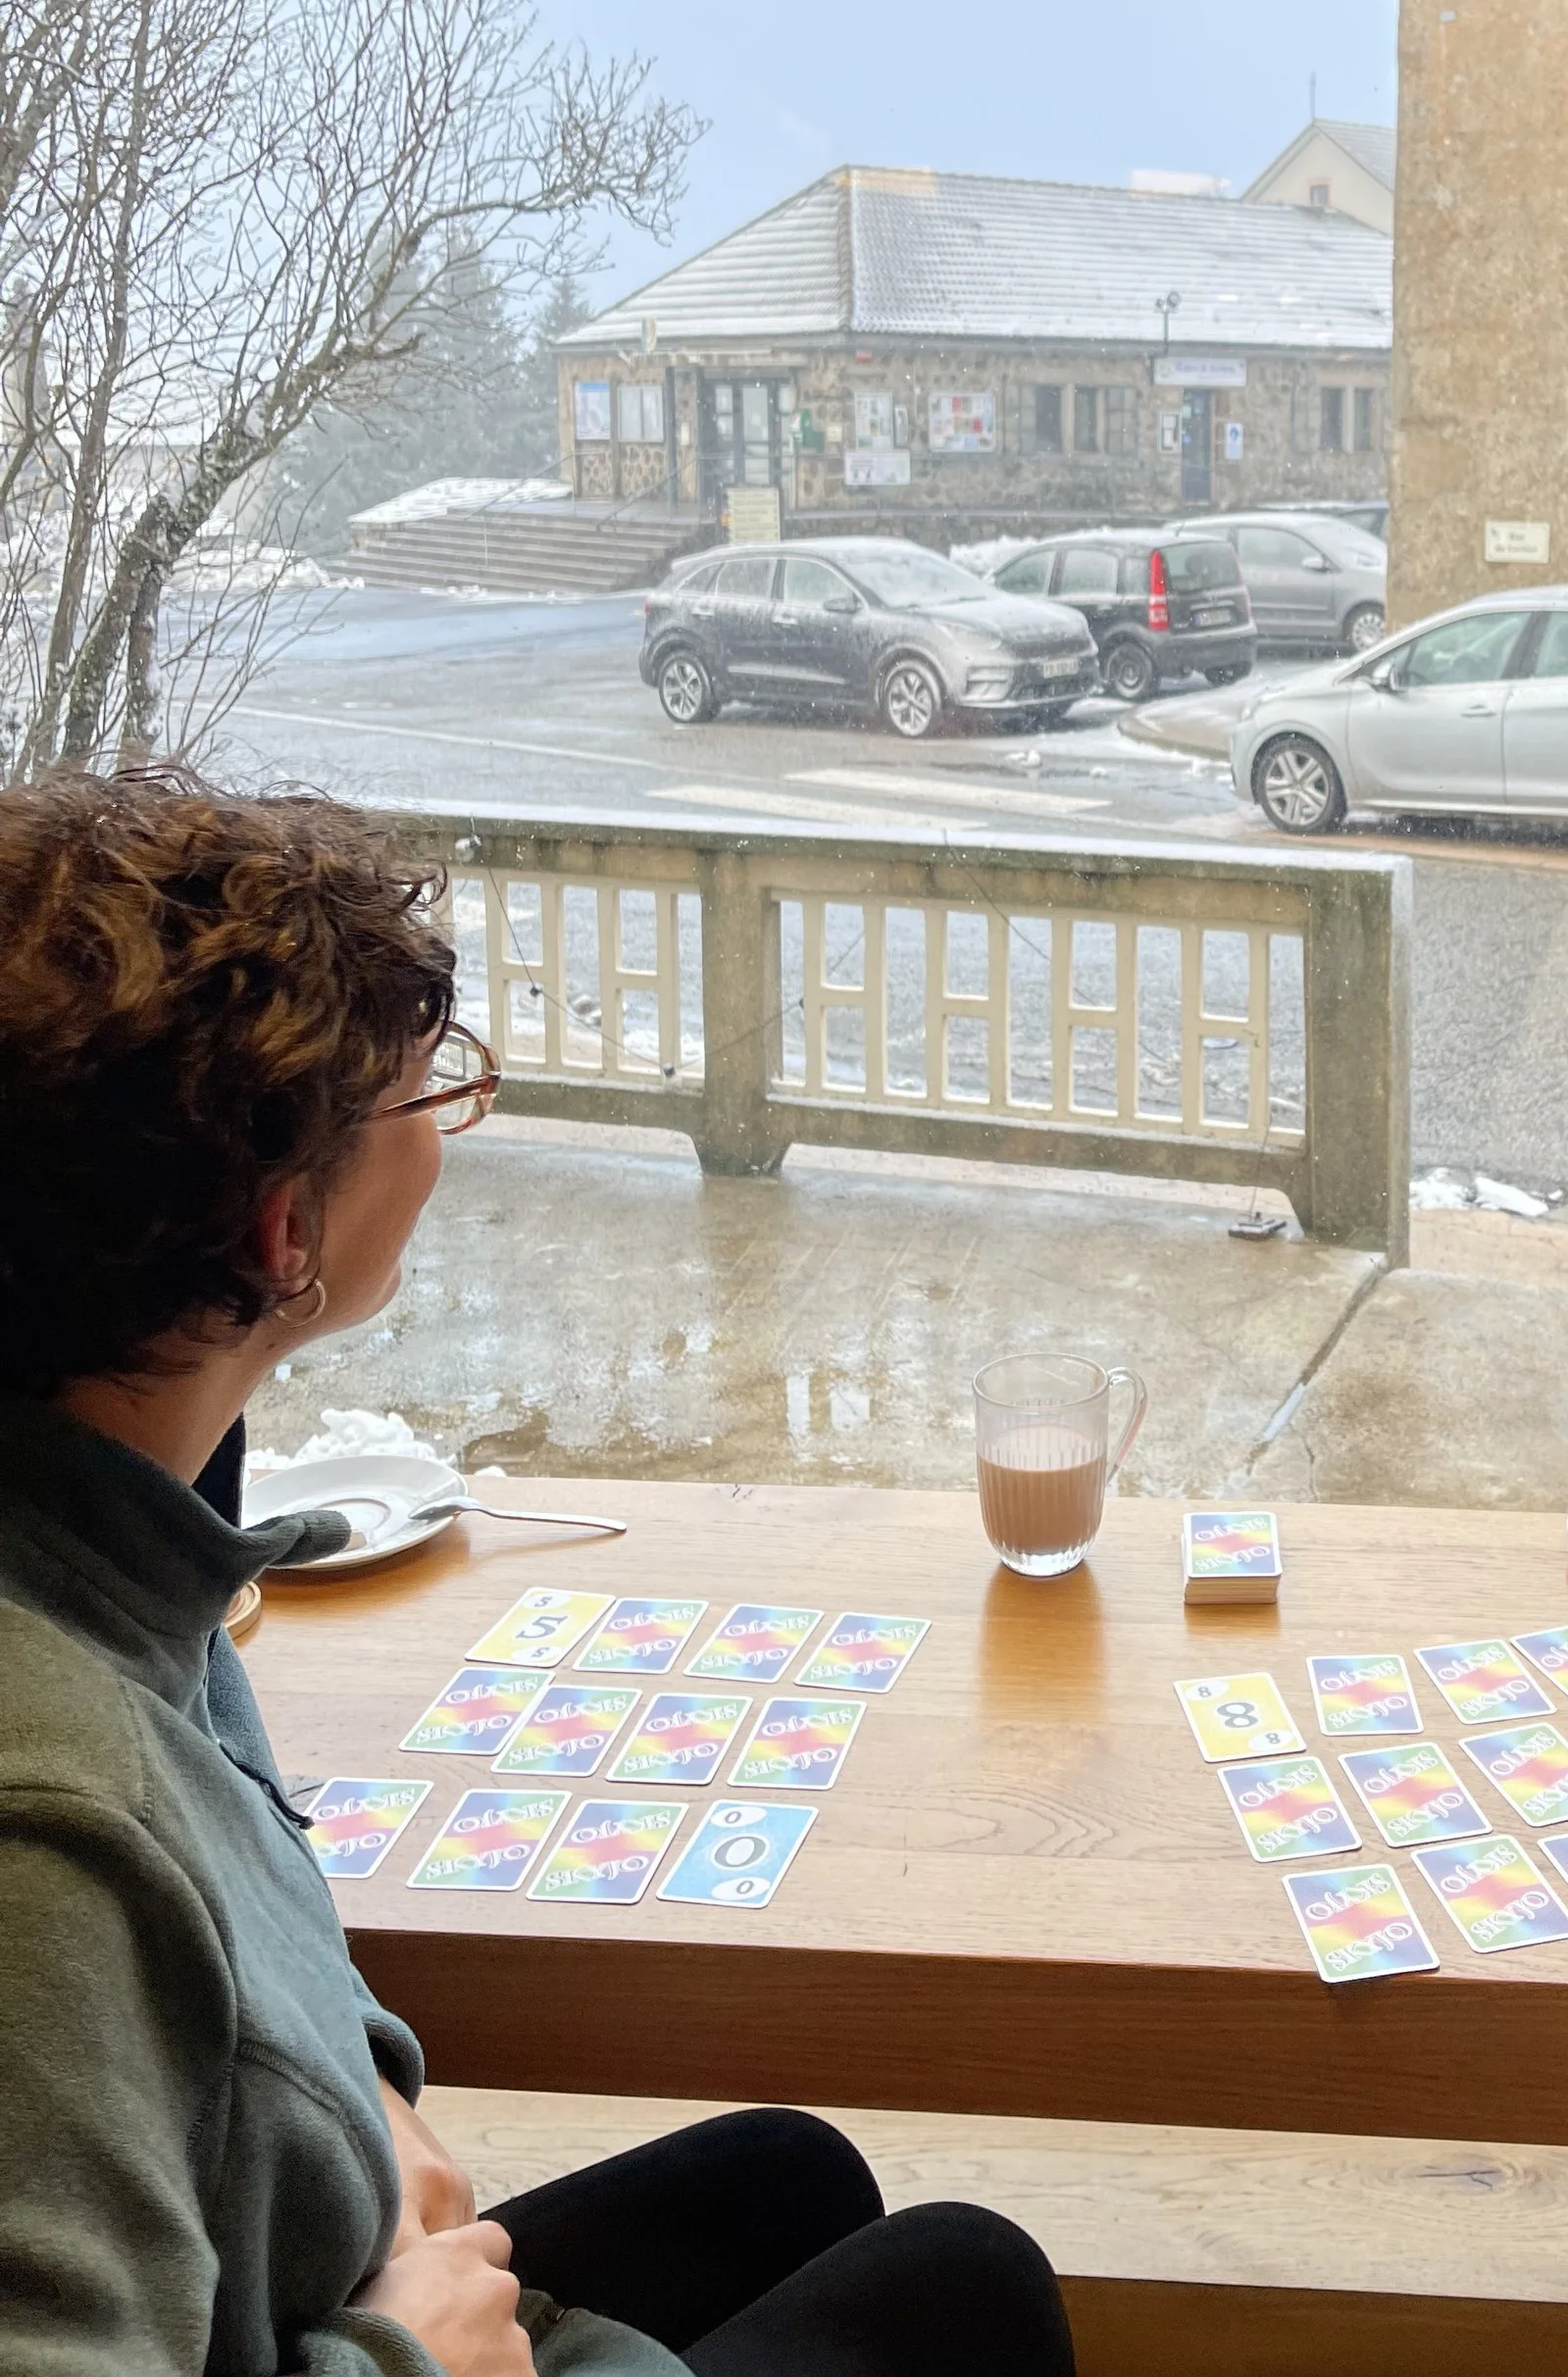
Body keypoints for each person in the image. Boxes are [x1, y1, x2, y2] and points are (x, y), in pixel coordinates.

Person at [0, 767, 1076, 2377]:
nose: (446, 1135)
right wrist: (400, 2356)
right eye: (424, 1103)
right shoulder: (53, 1837)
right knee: (964, 2281)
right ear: (283, 1236)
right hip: (358, 2336)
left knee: (793, 2175)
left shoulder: (106, 1509)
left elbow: (221, 1968)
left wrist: (352, 2088)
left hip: (316, 2268)